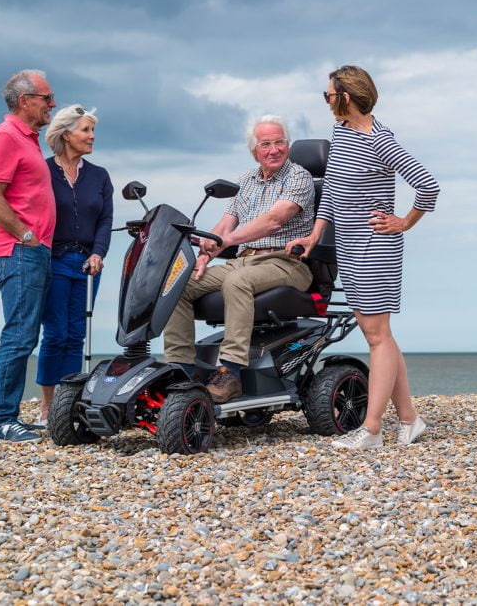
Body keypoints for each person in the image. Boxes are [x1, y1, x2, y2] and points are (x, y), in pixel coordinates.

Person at [286, 65, 440, 449]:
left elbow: (428, 185)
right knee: (380, 335)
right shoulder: (341, 133)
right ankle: (409, 419)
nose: (325, 101)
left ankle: (371, 429)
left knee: (377, 336)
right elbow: (334, 193)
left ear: (346, 97)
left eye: (328, 95)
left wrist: (404, 221)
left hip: (376, 248)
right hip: (349, 248)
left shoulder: (379, 140)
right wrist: (315, 233)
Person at [163, 115, 315, 402]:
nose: (274, 149)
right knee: (177, 283)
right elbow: (225, 224)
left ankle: (230, 370)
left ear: (288, 145)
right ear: (254, 150)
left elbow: (274, 220)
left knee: (236, 280)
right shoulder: (246, 180)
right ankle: (183, 368)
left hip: (286, 262)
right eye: (266, 144)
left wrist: (227, 241)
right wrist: (206, 253)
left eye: (280, 142)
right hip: (244, 260)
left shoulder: (299, 177)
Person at [0, 70, 57, 443]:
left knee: (24, 335)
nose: (52, 104)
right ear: (25, 101)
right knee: (19, 336)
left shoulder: (27, 141)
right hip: (18, 252)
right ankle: (1, 419)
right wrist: (26, 236)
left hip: (31, 251)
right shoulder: (7, 137)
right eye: (46, 97)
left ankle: (1, 415)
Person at [34, 105, 113, 422]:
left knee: (77, 333)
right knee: (55, 334)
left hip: (88, 265)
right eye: (86, 130)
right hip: (53, 261)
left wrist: (99, 252)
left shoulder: (99, 176)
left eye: (93, 131)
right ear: (66, 134)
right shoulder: (43, 171)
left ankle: (69, 404)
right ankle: (47, 406)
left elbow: (106, 219)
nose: (92, 136)